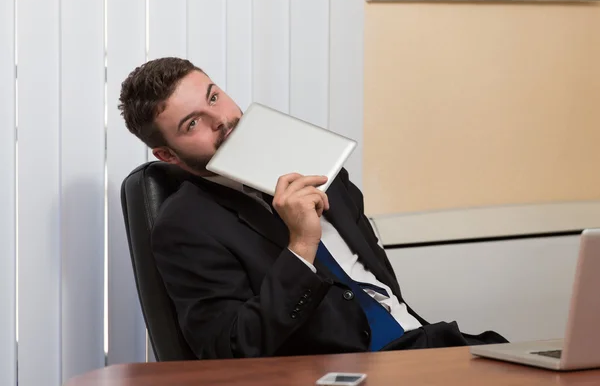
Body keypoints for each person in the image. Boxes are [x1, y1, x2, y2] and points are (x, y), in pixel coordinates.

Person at [118, 57, 507, 359]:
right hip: (343, 370)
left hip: (423, 344)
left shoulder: (314, 161)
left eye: (214, 96)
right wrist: (301, 246)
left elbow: (378, 281)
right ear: (167, 154)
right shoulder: (184, 226)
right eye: (193, 124)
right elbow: (232, 348)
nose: (221, 120)